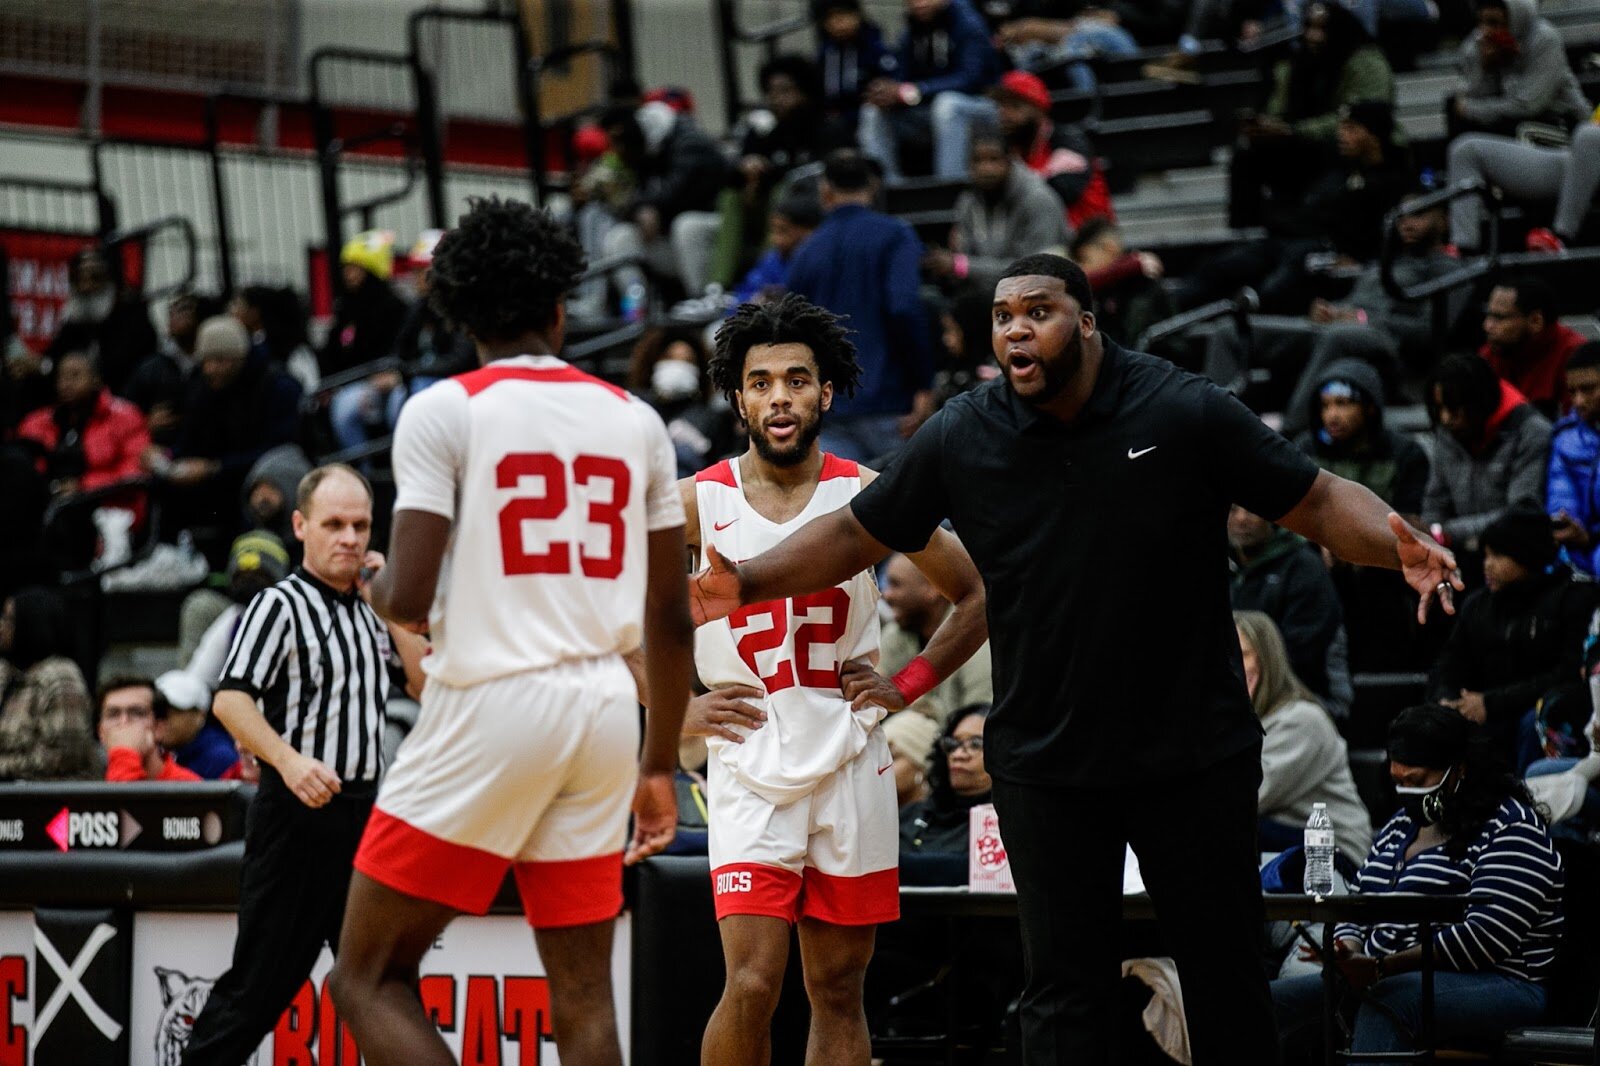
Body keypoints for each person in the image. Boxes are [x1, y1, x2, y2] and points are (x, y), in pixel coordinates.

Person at [687, 252, 1463, 1063]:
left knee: (1225, 980)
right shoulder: (965, 430)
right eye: (1001, 316)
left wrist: (1394, 541)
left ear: (1087, 322)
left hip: (1191, 754)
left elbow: (1315, 497)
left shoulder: (1180, 408)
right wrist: (742, 582)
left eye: (1038, 311)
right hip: (1048, 766)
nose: (1015, 328)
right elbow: (856, 536)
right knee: (1062, 995)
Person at [325, 197, 694, 1066]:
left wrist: (384, 590)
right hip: (607, 710)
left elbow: (409, 591)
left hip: (493, 699)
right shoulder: (635, 420)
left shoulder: (443, 409)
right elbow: (669, 617)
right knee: (586, 1004)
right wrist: (658, 762)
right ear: (561, 307)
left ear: (456, 312)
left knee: (365, 976)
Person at [681, 293, 985, 1066]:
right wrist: (679, 713)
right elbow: (613, 615)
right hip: (749, 756)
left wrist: (909, 682)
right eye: (760, 382)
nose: (778, 395)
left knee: (839, 990)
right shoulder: (694, 502)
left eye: (795, 379)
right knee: (750, 982)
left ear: (826, 391)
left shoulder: (869, 493)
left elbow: (979, 594)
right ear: (739, 399)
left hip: (850, 754)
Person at [180, 465, 426, 1064]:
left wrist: (389, 605)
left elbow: (426, 687)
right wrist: (288, 762)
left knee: (386, 986)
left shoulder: (374, 611)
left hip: (364, 819)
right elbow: (230, 697)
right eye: (334, 524)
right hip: (295, 815)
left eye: (360, 525)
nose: (348, 537)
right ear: (300, 527)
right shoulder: (278, 605)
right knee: (258, 990)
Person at [1270, 704, 1562, 1060]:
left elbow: (1484, 938)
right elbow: (1362, 899)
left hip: (1501, 982)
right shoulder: (1398, 828)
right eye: (1398, 782)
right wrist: (1347, 948)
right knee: (1272, 1001)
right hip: (1386, 974)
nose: (1406, 792)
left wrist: (1384, 967)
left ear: (1458, 771)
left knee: (1392, 998)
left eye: (1417, 781)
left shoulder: (1512, 828)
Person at [786, 150, 935, 463]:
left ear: (825, 192)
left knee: (846, 508)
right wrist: (923, 383)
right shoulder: (896, 235)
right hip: (889, 400)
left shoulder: (806, 250)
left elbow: (793, 330)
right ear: (872, 188)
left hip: (830, 406)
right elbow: (903, 307)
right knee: (914, 507)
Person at [1427, 510, 1594, 759]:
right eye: (1485, 555)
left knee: (1532, 723)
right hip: (1485, 709)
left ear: (1526, 555)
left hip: (1542, 712)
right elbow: (1450, 662)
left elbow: (1569, 673)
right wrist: (1447, 700)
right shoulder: (1478, 604)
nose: (1487, 564)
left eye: (1498, 555)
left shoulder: (1575, 596)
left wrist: (1491, 704)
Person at [1228, 2, 1394, 231]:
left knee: (1338, 155)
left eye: (1321, 29)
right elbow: (1280, 107)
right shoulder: (1299, 61)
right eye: (1309, 28)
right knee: (1247, 154)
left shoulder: (1366, 60)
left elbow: (1366, 118)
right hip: (1305, 141)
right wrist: (1266, 126)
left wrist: (1296, 131)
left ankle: (1309, 227)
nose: (1313, 37)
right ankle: (1248, 232)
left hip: (1354, 146)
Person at [156, 314, 303, 554]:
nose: (211, 369)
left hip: (262, 474)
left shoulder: (277, 385)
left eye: (219, 361)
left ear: (239, 358)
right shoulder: (203, 388)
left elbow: (282, 449)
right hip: (218, 477)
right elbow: (190, 437)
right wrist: (167, 456)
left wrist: (215, 467)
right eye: (206, 361)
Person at [1235, 611, 1371, 865]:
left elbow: (1246, 797)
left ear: (1267, 660)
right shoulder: (1244, 724)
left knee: (1224, 827)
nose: (1233, 667)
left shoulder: (1302, 719)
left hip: (1336, 852)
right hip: (1278, 841)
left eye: (1242, 655)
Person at [1422, 353, 1551, 565]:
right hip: (1458, 552)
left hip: (1514, 555)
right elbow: (1435, 501)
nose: (1445, 418)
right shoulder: (1447, 431)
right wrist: (1431, 536)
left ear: (1480, 402)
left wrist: (1448, 532)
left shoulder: (1530, 432)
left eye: (1454, 409)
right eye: (1439, 409)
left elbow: (1520, 513)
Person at [857, 0, 1002, 181]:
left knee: (947, 104)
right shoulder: (912, 28)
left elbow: (970, 78)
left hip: (980, 106)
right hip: (928, 109)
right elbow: (901, 77)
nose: (920, 4)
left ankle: (950, 187)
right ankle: (888, 189)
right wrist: (887, 90)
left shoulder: (968, 23)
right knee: (872, 111)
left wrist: (913, 91)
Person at [923, 127, 1073, 297]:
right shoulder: (968, 202)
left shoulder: (1038, 200)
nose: (986, 169)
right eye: (977, 161)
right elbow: (965, 256)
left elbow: (1035, 272)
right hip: (992, 296)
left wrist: (962, 266)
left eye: (994, 159)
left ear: (1010, 160)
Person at [1229, 505, 1350, 709]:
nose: (1242, 519)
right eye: (1232, 510)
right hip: (1237, 695)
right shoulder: (1212, 561)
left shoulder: (1304, 566)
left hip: (1305, 698)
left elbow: (1303, 652)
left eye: (1251, 510)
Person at [1448, 118, 1600, 255]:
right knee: (1467, 150)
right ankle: (1463, 252)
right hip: (1578, 157)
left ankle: (1560, 239)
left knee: (1589, 136)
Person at [880, 551, 993, 735]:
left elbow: (980, 720)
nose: (886, 595)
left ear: (933, 588)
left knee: (900, 734)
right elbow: (872, 693)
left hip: (962, 746)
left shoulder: (975, 637)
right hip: (934, 743)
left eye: (895, 584)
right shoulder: (898, 631)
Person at [990, 70, 1114, 230]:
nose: (1004, 114)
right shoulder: (1012, 149)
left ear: (1039, 109)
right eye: (1000, 106)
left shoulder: (1068, 142)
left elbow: (1062, 194)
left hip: (1087, 243)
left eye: (1014, 106)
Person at [1450, 0, 1590, 138]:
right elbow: (1470, 99)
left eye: (1493, 22)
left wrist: (1471, 109)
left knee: (1511, 127)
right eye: (1481, 22)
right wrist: (1485, 68)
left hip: (1565, 125)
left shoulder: (1545, 39)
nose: (1485, 31)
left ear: (1514, 20)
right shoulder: (1479, 42)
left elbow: (1528, 105)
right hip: (1519, 122)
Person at [0, 587, 96, 782]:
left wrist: (3, 766)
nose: (1, 626)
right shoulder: (6, 671)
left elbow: (61, 758)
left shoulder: (60, 678)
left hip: (49, 801)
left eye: (8, 619)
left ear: (31, 624)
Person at [625, 326, 741, 477]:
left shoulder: (712, 419)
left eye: (688, 360)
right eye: (670, 358)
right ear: (653, 362)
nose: (678, 366)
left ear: (699, 370)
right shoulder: (634, 405)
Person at [44, 246, 158, 398]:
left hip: (123, 394)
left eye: (94, 278)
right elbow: (57, 356)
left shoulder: (130, 312)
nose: (88, 287)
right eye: (81, 279)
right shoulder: (74, 321)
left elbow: (128, 362)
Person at [1477, 277, 1585, 417]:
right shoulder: (1491, 354)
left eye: (1499, 318)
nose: (1487, 326)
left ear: (1535, 321)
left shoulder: (1573, 355)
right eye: (1488, 316)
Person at [898, 704, 993, 860]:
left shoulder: (1007, 824)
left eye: (976, 744)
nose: (958, 754)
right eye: (952, 744)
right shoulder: (909, 815)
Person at [320, 231, 408, 380]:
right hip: (343, 381)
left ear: (371, 271)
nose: (348, 274)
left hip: (375, 380)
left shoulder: (392, 307)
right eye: (346, 268)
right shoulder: (344, 307)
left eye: (355, 268)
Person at [813, 0, 898, 147]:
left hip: (872, 113)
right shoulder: (825, 54)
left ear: (857, 15)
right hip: (838, 117)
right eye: (831, 18)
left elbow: (890, 82)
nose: (839, 23)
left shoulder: (875, 48)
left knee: (871, 113)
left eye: (843, 15)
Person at [1548, 342, 1600, 576]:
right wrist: (1566, 521)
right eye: (1572, 392)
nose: (1578, 401)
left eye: (1588, 389)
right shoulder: (1565, 438)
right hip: (1577, 545)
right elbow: (1560, 492)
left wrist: (1592, 537)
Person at [98, 675, 200, 783]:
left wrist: (124, 755)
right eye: (113, 714)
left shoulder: (187, 786)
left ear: (159, 728)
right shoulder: (85, 781)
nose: (124, 723)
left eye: (137, 713)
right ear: (101, 732)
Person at [155, 669, 241, 780]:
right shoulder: (163, 751)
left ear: (200, 714)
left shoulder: (219, 757)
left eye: (176, 711)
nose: (164, 718)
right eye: (159, 710)